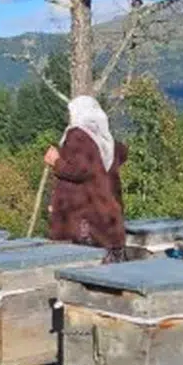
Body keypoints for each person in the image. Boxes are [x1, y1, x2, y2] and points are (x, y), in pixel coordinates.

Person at [44, 95, 128, 261]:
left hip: (83, 217)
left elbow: (79, 169)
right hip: (106, 220)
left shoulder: (78, 135)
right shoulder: (106, 142)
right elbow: (121, 154)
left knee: (81, 266)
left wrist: (56, 161)